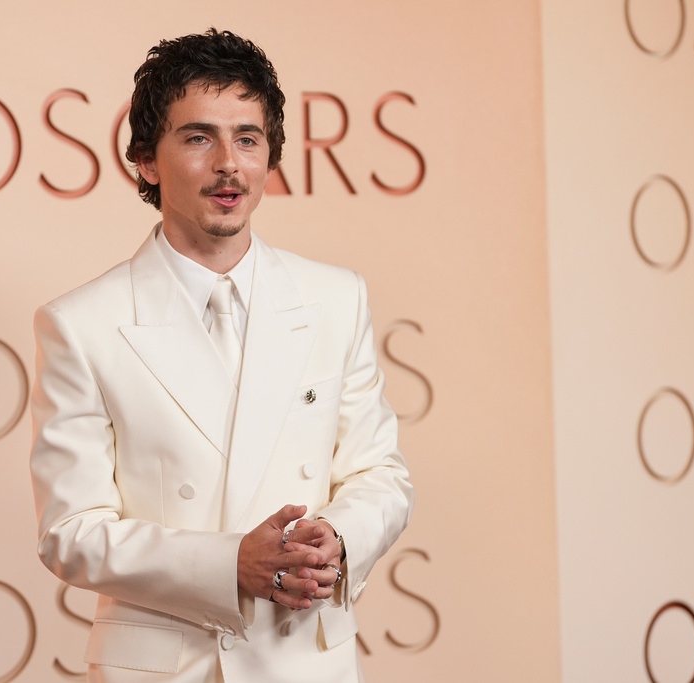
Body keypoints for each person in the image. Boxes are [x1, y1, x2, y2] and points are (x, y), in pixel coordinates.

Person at [29, 28, 414, 683]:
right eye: (199, 137)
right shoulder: (82, 323)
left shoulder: (335, 298)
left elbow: (380, 473)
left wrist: (341, 537)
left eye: (248, 138)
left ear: (269, 156)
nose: (228, 164)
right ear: (148, 160)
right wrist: (228, 563)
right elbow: (70, 531)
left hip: (304, 658)